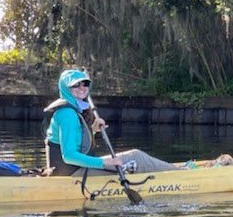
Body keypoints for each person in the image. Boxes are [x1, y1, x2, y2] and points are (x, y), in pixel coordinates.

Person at [44, 69, 179, 176]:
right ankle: (182, 174)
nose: (82, 88)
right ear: (66, 89)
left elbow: (78, 143)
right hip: (71, 174)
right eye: (75, 85)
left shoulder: (72, 110)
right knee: (137, 158)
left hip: (73, 169)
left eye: (85, 83)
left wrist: (93, 131)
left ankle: (176, 170)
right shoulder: (67, 114)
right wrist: (103, 163)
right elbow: (69, 156)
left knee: (136, 157)